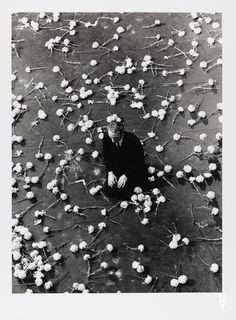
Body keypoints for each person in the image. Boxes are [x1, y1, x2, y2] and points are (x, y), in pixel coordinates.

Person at [102, 117, 148, 200]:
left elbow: (140, 161)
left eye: (114, 137)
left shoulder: (133, 140)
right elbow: (106, 155)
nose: (112, 140)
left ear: (120, 133)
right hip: (116, 166)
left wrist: (126, 175)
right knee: (108, 190)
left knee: (123, 194)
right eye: (110, 137)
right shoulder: (106, 137)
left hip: (131, 168)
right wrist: (110, 173)